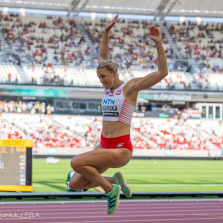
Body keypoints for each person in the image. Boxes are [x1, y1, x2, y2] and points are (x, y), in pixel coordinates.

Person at [69, 15, 168, 215]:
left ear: (114, 73)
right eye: (99, 77)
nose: (101, 81)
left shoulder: (129, 87)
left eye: (103, 76)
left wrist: (158, 44)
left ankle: (109, 190)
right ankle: (116, 182)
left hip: (121, 149)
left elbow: (162, 72)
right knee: (75, 184)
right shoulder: (107, 88)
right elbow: (103, 56)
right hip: (104, 144)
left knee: (76, 162)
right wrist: (106, 32)